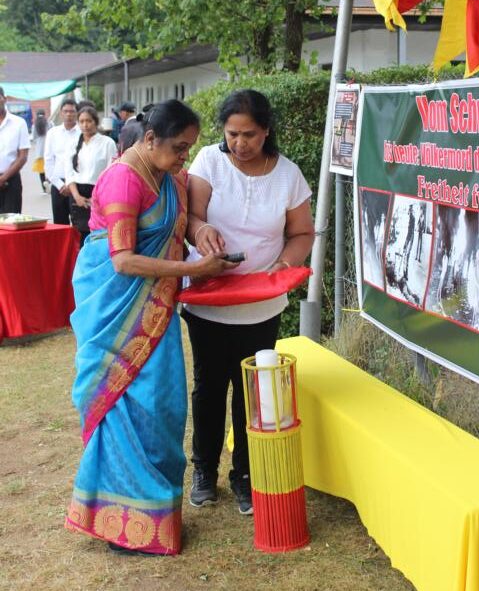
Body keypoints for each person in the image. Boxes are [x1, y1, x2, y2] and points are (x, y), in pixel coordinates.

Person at [65, 99, 238, 556]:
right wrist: (194, 271)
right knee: (122, 404)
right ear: (149, 140)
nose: (185, 156)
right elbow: (122, 261)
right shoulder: (124, 179)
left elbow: (179, 226)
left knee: (162, 406)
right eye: (180, 147)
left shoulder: (170, 175)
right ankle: (121, 525)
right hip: (116, 305)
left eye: (189, 148)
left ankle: (155, 515)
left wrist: (200, 237)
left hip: (156, 307)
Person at [183, 89, 314, 515]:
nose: (239, 144)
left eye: (249, 135)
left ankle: (244, 475)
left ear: (267, 131)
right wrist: (202, 233)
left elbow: (302, 234)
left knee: (252, 391)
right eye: (232, 134)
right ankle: (204, 471)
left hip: (261, 305)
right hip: (209, 298)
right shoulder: (209, 161)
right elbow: (192, 218)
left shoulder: (288, 175)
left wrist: (283, 265)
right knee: (208, 387)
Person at [64, 106, 117, 244]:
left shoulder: (107, 143)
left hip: (98, 193)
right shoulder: (73, 143)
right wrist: (77, 196)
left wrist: (97, 198)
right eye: (81, 121)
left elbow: (111, 173)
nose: (85, 125)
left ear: (96, 122)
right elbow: (69, 173)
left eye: (88, 121)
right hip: (77, 194)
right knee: (79, 236)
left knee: (97, 234)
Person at [44, 98, 80, 225]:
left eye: (72, 111)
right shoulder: (53, 133)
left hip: (78, 185)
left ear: (77, 113)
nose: (69, 114)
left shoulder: (82, 133)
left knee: (79, 224)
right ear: (61, 113)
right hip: (58, 184)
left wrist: (72, 186)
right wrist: (60, 185)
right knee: (60, 224)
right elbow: (48, 161)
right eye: (66, 111)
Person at [0, 85, 30, 213]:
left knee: (11, 220)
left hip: (11, 181)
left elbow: (23, 156)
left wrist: (3, 178)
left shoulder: (19, 123)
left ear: (4, 99)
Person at [31, 110, 51, 191]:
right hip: (49, 149)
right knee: (50, 167)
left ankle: (44, 188)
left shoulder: (34, 125)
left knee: (41, 170)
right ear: (44, 114)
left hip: (40, 151)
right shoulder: (49, 123)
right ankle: (49, 183)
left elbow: (33, 137)